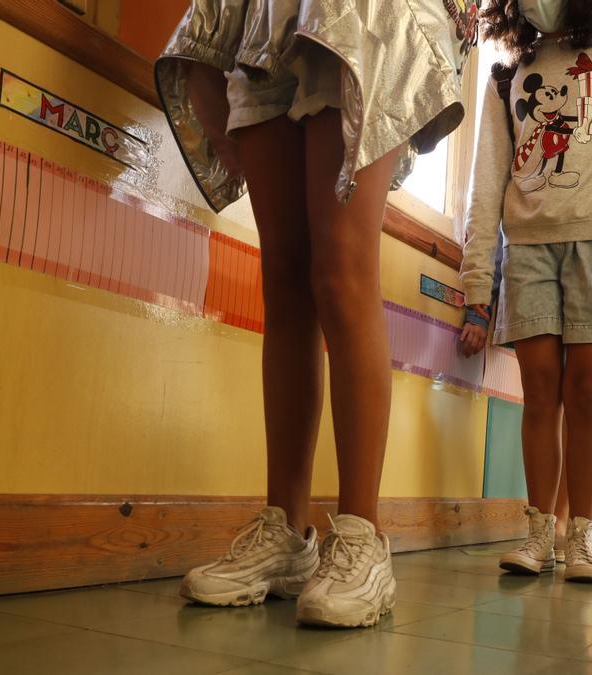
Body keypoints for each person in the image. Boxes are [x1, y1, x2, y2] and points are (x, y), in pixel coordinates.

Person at [155, 0, 478, 628]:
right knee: (284, 281)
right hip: (264, 17)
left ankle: (361, 536)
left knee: (341, 270)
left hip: (370, 15)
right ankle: (285, 532)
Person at [461, 0, 592, 583]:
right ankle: (537, 533)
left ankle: (581, 537)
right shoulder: (504, 74)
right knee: (539, 392)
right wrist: (476, 277)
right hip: (525, 250)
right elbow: (486, 179)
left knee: (589, 392)